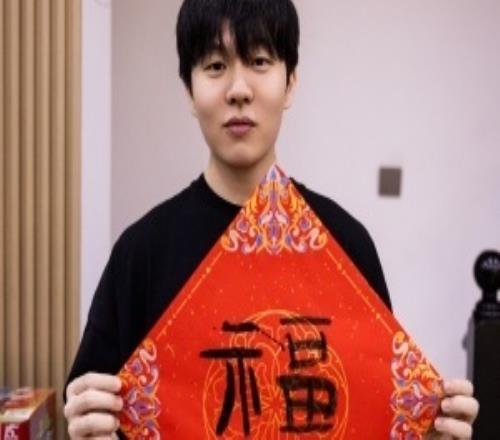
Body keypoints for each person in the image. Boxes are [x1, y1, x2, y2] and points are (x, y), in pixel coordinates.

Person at [64, 0, 479, 438]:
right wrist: (88, 426)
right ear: (189, 90)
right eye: (215, 66)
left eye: (259, 61)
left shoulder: (345, 243)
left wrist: (427, 429)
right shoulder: (142, 253)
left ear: (291, 82)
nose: (238, 89)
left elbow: (373, 413)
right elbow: (95, 413)